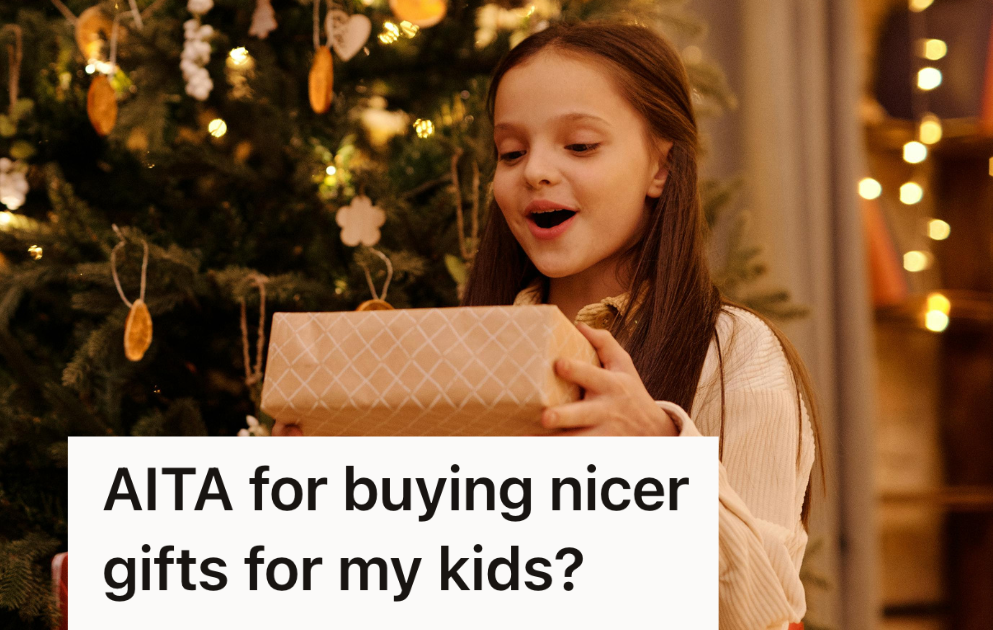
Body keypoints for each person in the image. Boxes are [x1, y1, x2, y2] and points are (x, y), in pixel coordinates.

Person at [276, 19, 819, 630]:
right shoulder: (462, 358)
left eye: (580, 145)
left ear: (661, 168)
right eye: (511, 152)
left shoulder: (736, 355)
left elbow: (766, 609)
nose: (534, 171)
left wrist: (661, 459)